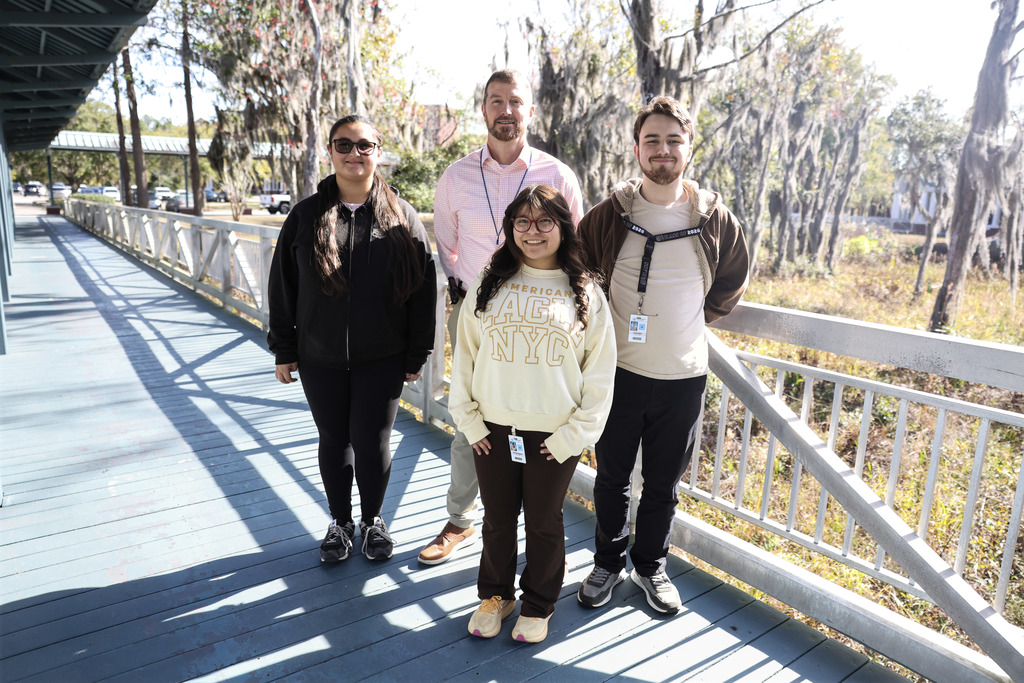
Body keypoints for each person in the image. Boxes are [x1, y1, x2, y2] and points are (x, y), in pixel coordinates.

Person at [576, 96, 749, 614]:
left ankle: (651, 565)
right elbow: (580, 273)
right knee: (609, 477)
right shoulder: (609, 214)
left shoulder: (715, 218)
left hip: (684, 375)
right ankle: (606, 561)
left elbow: (732, 282)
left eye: (674, 140)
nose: (663, 149)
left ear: (689, 148)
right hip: (619, 373)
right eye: (652, 139)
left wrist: (689, 322)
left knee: (662, 485)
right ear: (636, 149)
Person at [420, 69, 584, 565]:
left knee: (542, 419)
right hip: (476, 313)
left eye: (516, 102)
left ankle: (534, 520)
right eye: (496, 101)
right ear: (484, 109)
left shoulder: (556, 176)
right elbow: (446, 246)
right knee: (469, 416)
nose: (506, 111)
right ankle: (460, 519)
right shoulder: (456, 177)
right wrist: (478, 292)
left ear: (530, 111)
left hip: (544, 319)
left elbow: (576, 245)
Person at [449, 184, 615, 643]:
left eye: (545, 222)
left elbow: (600, 375)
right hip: (491, 429)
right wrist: (469, 419)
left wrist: (573, 436)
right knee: (497, 519)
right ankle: (496, 595)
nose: (533, 231)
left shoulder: (585, 291)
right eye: (522, 222)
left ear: (564, 227)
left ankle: (539, 603)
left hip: (553, 434)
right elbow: (465, 354)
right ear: (510, 229)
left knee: (544, 523)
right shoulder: (490, 282)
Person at [267, 114, 436, 564]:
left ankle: (373, 521)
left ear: (378, 152)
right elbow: (283, 286)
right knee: (333, 438)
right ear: (331, 152)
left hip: (382, 355)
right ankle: (340, 523)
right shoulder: (305, 216)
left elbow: (423, 289)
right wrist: (284, 347)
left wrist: (418, 351)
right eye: (344, 145)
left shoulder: (403, 219)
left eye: (365, 146)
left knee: (372, 439)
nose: (354, 154)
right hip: (318, 355)